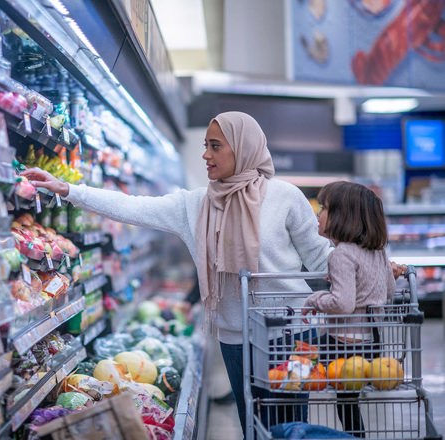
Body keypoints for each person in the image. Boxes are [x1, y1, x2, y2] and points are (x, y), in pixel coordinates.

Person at [22, 111, 334, 432]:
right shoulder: (196, 205)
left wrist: (371, 270)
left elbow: (321, 257)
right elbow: (133, 206)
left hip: (290, 332)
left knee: (292, 426)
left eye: (215, 146)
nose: (205, 155)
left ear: (242, 148)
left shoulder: (285, 197)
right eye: (205, 145)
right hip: (235, 335)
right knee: (253, 425)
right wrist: (70, 190)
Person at [302, 181, 396, 438]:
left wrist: (315, 299)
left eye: (324, 208)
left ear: (344, 216)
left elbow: (343, 304)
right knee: (348, 401)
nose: (319, 214)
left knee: (295, 362)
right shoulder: (378, 252)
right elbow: (389, 291)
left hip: (343, 345)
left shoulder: (341, 254)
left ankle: (297, 428)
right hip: (371, 345)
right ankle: (356, 436)